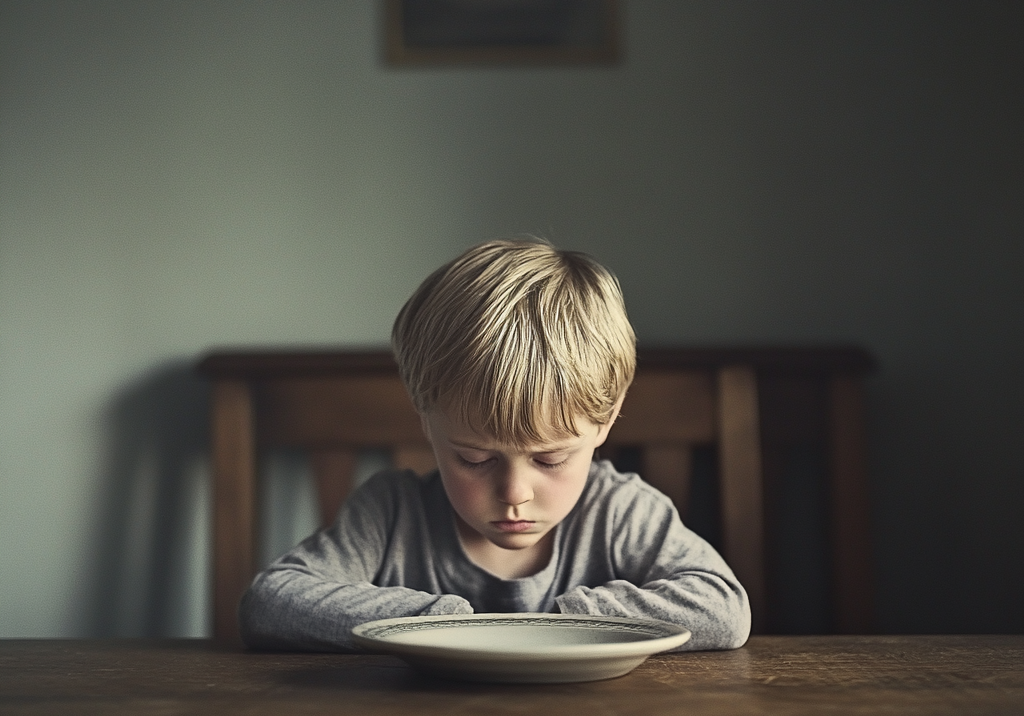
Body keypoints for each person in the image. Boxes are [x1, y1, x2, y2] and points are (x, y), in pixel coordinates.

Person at [239, 241, 750, 651]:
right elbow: (272, 602)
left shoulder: (619, 513)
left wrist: (556, 625)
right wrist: (443, 624)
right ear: (426, 421)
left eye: (550, 458)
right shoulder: (392, 513)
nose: (514, 492)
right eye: (475, 458)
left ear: (606, 422)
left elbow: (723, 610)